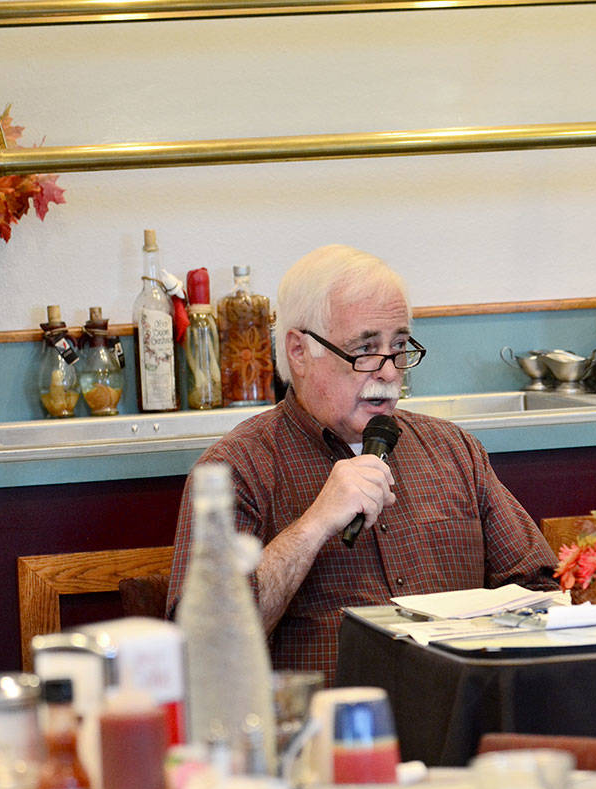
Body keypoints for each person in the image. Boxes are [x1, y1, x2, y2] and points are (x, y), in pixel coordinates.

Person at [166, 245, 556, 684]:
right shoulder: (237, 470)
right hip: (324, 738)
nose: (390, 373)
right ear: (299, 350)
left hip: (462, 725)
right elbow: (206, 649)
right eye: (365, 350)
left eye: (400, 347)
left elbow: (540, 588)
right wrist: (313, 526)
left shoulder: (454, 451)